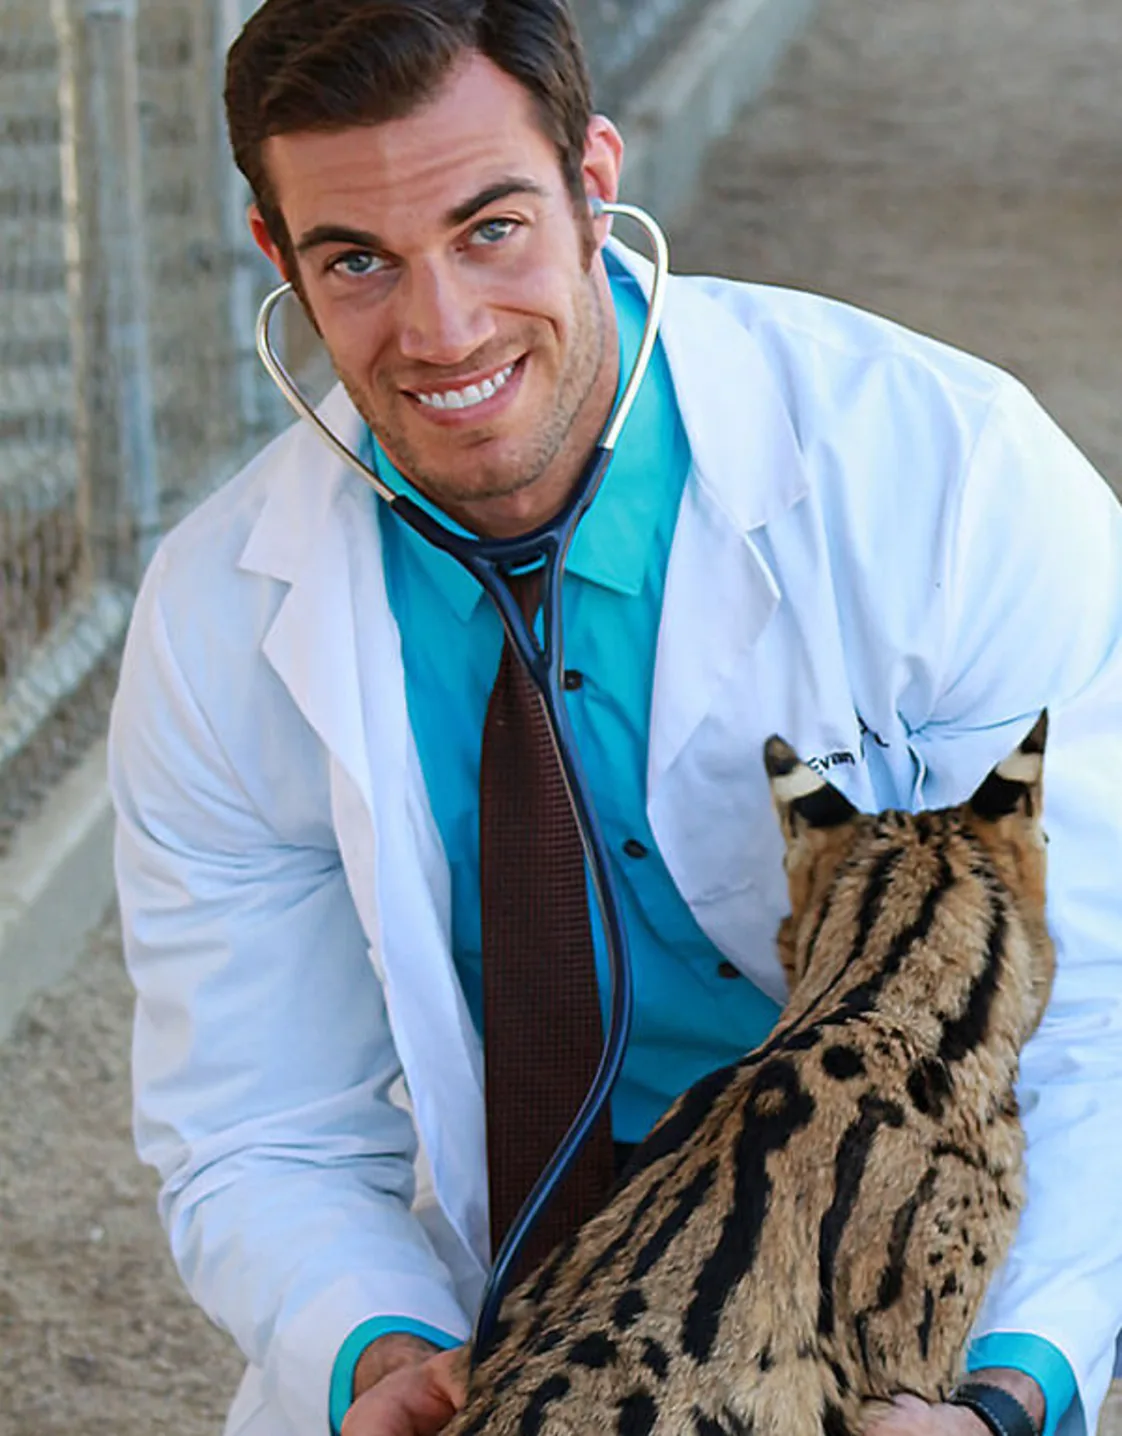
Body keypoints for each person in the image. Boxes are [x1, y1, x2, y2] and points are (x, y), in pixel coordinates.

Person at [107, 3, 1122, 1435]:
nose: (441, 330)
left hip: (884, 1302)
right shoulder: (220, 617)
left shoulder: (939, 479)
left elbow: (1096, 1018)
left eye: (490, 229)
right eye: (357, 261)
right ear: (278, 259)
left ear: (594, 181)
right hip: (510, 1326)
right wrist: (376, 1350)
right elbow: (254, 1120)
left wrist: (1002, 1391)